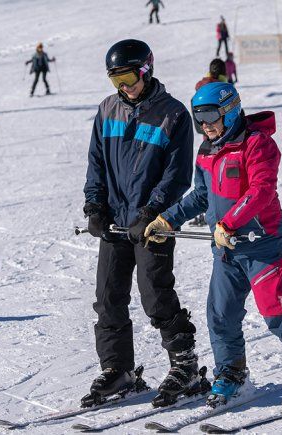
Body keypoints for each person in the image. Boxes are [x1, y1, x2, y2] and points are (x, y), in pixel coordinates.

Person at [144, 82, 282, 407]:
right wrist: (167, 219)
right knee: (220, 315)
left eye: (211, 116)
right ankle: (230, 374)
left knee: (278, 314)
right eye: (198, 118)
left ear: (230, 111)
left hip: (262, 246)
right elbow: (202, 195)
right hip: (226, 250)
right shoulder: (207, 150)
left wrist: (229, 223)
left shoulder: (257, 144)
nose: (205, 125)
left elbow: (262, 190)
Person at [82, 39, 205, 408]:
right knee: (108, 297)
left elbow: (177, 175)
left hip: (153, 223)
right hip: (115, 221)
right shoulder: (107, 110)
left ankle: (185, 365)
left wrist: (152, 211)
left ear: (146, 71)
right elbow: (96, 163)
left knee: (155, 295)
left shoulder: (173, 115)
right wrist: (95, 206)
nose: (124, 87)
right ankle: (118, 369)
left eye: (129, 78)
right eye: (116, 80)